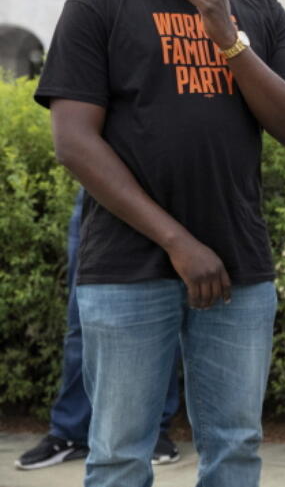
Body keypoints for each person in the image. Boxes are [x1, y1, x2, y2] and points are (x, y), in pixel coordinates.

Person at [34, 0, 285, 487]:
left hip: (239, 265)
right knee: (118, 455)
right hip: (127, 266)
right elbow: (75, 143)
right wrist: (178, 242)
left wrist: (228, 36)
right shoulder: (99, 4)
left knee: (235, 449)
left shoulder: (259, 13)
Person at [15, 188, 181, 471]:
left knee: (162, 317)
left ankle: (154, 429)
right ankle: (71, 432)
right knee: (84, 323)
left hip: (166, 193)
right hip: (98, 193)